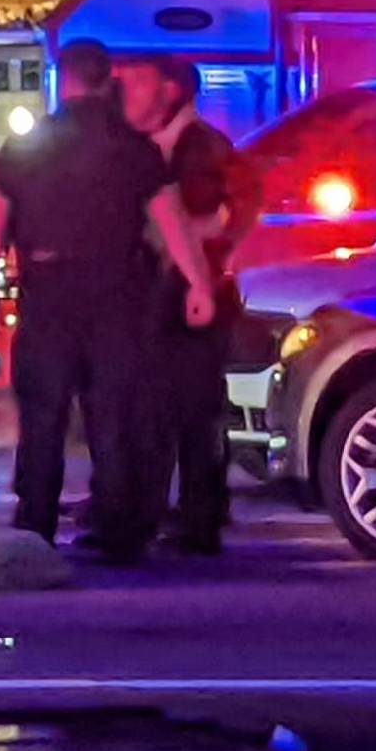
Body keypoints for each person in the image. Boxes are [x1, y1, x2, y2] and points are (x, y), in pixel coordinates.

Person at [0, 40, 216, 563]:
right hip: (116, 294)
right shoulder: (135, 148)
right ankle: (119, 530)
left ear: (64, 81)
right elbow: (172, 223)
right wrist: (200, 285)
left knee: (42, 414)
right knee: (112, 414)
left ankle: (34, 522)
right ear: (108, 83)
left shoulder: (26, 148)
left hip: (47, 290)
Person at [119, 53, 261, 555]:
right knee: (165, 408)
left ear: (171, 91)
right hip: (169, 297)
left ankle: (196, 515)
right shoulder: (151, 147)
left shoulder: (200, 151)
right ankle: (175, 509)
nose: (124, 92)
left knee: (189, 410)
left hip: (188, 299)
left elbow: (211, 220)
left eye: (136, 81)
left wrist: (158, 238)